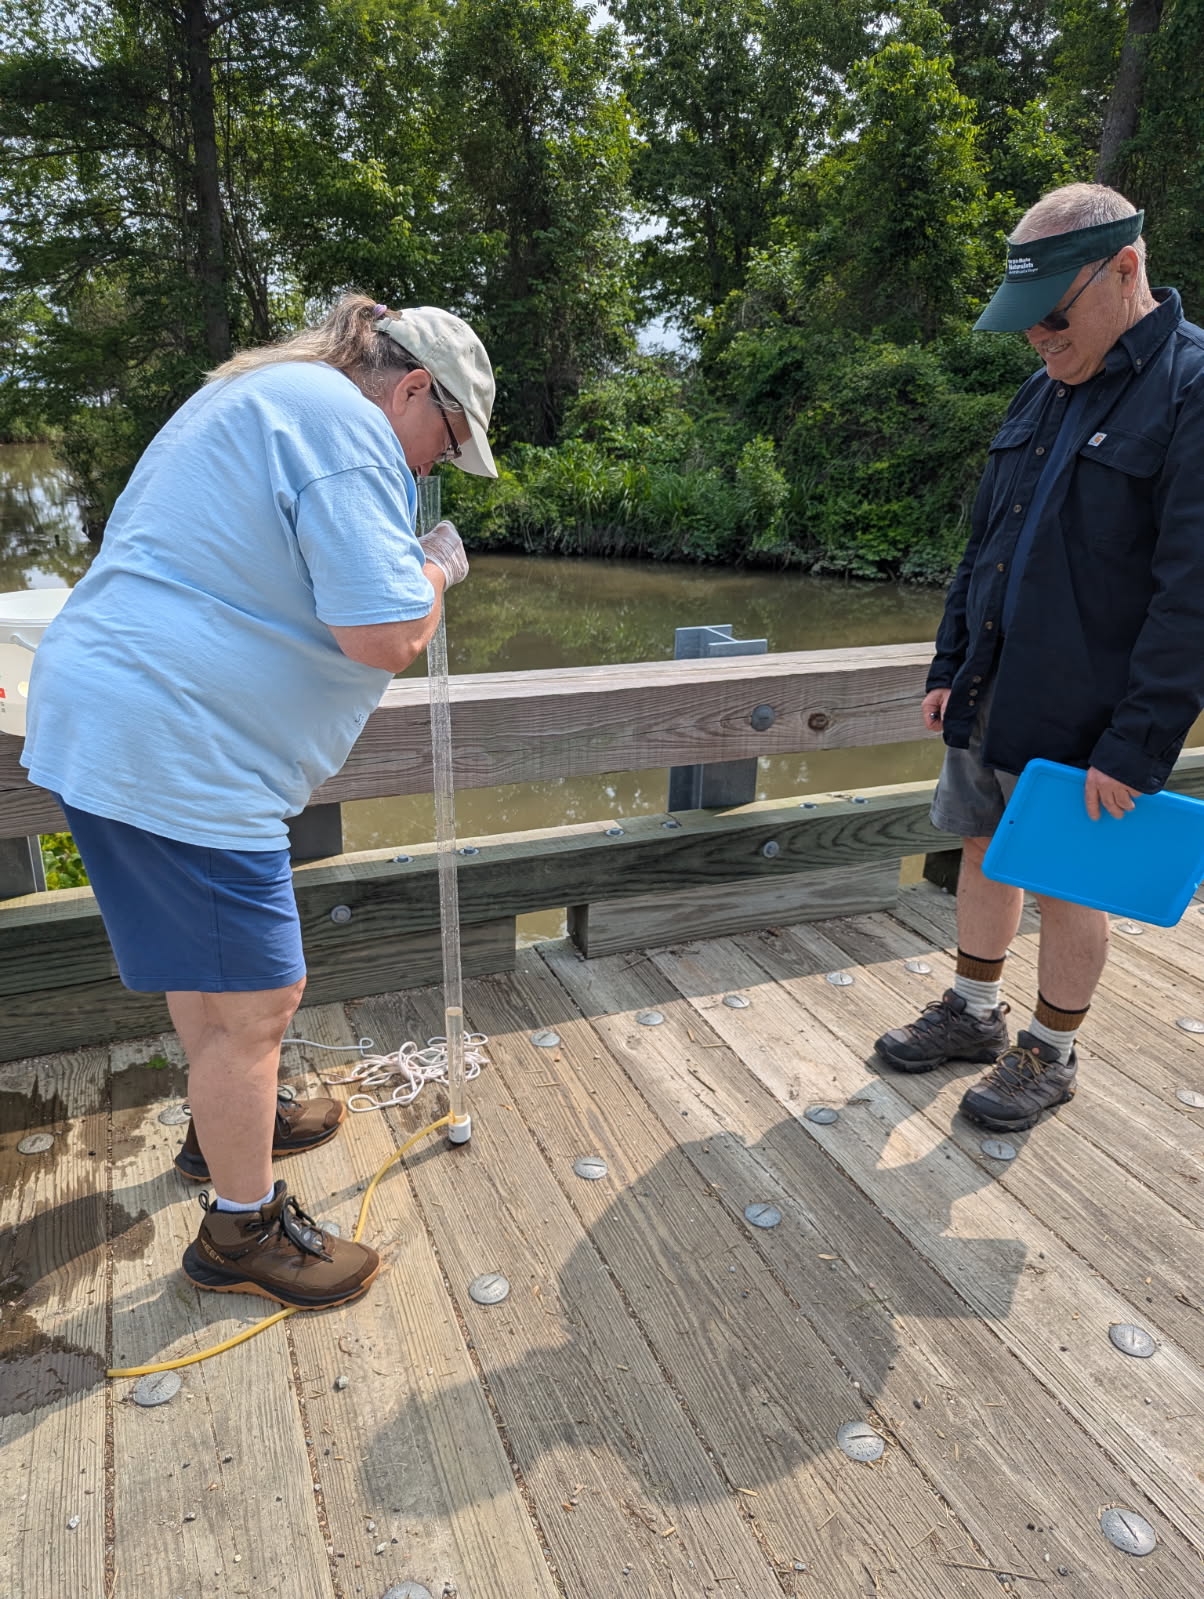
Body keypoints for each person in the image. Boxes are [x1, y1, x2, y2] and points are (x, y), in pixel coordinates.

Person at [21, 295, 497, 1308]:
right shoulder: (342, 425)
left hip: (128, 724)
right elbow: (382, 633)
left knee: (217, 976)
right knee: (261, 1002)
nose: (428, 470)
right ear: (414, 389)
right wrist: (436, 565)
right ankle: (243, 1230)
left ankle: (225, 1125)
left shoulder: (260, 395)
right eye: (443, 446)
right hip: (178, 745)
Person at [875, 182, 1204, 1132]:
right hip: (990, 687)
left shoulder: (1191, 389)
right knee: (981, 842)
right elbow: (984, 545)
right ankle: (974, 1012)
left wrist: (1136, 744)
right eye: (1026, 324)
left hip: (1090, 716)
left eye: (1052, 318)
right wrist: (946, 667)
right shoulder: (1044, 383)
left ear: (1127, 268)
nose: (1037, 340)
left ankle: (1051, 1054)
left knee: (1066, 879)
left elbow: (1193, 596)